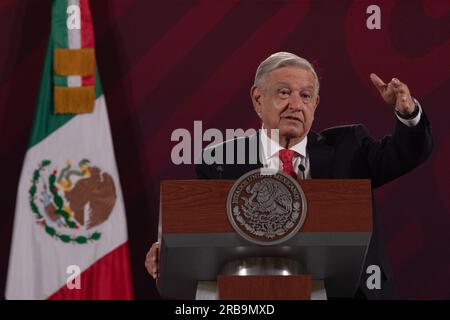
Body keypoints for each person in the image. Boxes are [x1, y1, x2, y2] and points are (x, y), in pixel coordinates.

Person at [145, 52, 432, 299]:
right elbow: (205, 233)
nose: (296, 104)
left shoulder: (349, 149)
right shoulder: (220, 161)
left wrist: (408, 113)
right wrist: (170, 251)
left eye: (305, 96)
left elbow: (405, 154)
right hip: (253, 297)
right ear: (258, 98)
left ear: (316, 104)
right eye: (284, 92)